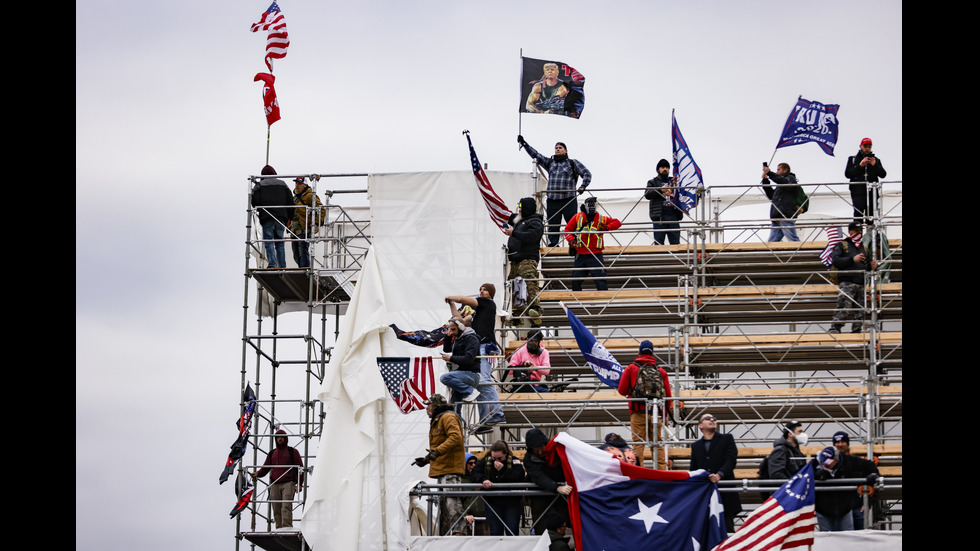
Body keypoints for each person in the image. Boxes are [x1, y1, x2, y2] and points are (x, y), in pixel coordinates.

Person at [446, 285, 506, 430]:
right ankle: (486, 418)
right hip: (481, 346)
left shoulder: (488, 303)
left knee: (484, 380)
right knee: (480, 381)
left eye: (484, 289)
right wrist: (452, 304)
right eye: (480, 289)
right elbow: (458, 321)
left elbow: (463, 299)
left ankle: (497, 414)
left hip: (485, 346)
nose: (481, 291)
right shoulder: (477, 314)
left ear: (491, 294)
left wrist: (453, 297)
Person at [516, 136, 592, 246]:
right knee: (553, 224)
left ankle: (575, 243)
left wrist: (583, 186)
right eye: (556, 147)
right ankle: (553, 245)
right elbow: (536, 155)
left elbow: (586, 173)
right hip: (553, 200)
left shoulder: (572, 163)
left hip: (569, 199)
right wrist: (524, 144)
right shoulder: (550, 163)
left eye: (560, 147)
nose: (557, 149)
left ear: (566, 151)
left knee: (573, 223)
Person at [411, 394, 467, 536]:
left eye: (428, 405)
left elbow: (455, 437)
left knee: (452, 502)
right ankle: (447, 534)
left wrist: (435, 453)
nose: (426, 408)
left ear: (436, 406)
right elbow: (441, 447)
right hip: (444, 469)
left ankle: (459, 532)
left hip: (450, 469)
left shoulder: (447, 417)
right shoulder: (440, 419)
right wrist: (426, 459)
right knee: (445, 505)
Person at [617, 340, 673, 469]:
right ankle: (661, 472)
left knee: (638, 444)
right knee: (658, 443)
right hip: (656, 413)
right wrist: (664, 415)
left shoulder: (631, 368)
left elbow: (621, 390)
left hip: (637, 412)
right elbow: (668, 396)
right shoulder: (660, 371)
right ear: (652, 353)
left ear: (639, 351)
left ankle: (639, 471)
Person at [690, 413, 742, 533]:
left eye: (714, 418)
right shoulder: (696, 446)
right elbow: (694, 468)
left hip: (725, 493)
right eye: (708, 418)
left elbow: (731, 459)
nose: (712, 420)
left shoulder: (727, 438)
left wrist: (720, 474)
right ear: (700, 425)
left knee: (727, 527)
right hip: (706, 494)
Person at [811, 442, 880, 532]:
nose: (825, 464)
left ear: (837, 460)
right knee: (827, 539)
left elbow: (869, 465)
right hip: (823, 510)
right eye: (823, 460)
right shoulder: (815, 463)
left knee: (847, 537)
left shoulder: (848, 460)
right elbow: (802, 476)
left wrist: (874, 475)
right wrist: (816, 476)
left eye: (828, 462)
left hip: (844, 509)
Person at [564, 197, 622, 291]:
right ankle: (578, 301)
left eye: (593, 205)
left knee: (600, 280)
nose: (592, 207)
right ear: (585, 206)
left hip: (595, 253)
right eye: (590, 205)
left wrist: (606, 228)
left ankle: (603, 300)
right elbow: (567, 230)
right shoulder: (578, 217)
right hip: (581, 253)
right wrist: (571, 240)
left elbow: (617, 223)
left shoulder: (601, 218)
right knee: (575, 280)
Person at [469, 440, 526, 536]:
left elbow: (519, 477)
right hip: (492, 502)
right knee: (495, 533)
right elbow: (474, 474)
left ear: (506, 454)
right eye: (494, 458)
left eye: (500, 458)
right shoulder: (486, 461)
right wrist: (483, 480)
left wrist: (503, 470)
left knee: (512, 532)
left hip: (511, 502)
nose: (496, 461)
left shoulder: (513, 461)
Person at [829, 222, 877, 334]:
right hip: (847, 281)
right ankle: (835, 328)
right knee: (844, 306)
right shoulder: (842, 245)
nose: (858, 233)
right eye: (856, 231)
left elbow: (867, 265)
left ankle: (857, 329)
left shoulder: (864, 248)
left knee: (860, 310)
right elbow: (835, 261)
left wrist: (872, 267)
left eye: (860, 231)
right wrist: (852, 259)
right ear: (850, 231)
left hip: (861, 282)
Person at [251, 429, 305, 529]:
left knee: (285, 507)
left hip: (288, 483)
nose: (280, 439)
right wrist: (258, 473)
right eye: (278, 437)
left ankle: (287, 528)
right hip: (274, 483)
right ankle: (279, 529)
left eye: (282, 437)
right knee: (276, 508)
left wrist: (300, 484)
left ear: (286, 438)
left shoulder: (292, 452)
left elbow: (300, 469)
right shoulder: (272, 453)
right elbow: (265, 468)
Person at [505, 197, 545, 327]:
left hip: (527, 258)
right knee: (514, 285)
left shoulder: (535, 222)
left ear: (527, 208)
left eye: (521, 207)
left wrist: (514, 233)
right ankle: (517, 315)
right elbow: (505, 214)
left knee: (529, 280)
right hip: (515, 259)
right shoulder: (519, 220)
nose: (519, 209)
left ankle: (536, 308)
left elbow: (532, 237)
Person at [524, 428, 572, 534]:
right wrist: (557, 487)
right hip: (540, 497)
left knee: (563, 522)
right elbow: (538, 477)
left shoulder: (556, 451)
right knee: (541, 526)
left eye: (542, 447)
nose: (541, 452)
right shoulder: (528, 459)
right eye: (537, 450)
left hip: (561, 496)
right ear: (531, 449)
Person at [831, 431, 880, 530]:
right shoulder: (829, 463)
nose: (840, 444)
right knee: (838, 539)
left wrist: (868, 501)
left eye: (843, 442)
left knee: (859, 538)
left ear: (847, 443)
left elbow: (873, 474)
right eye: (837, 442)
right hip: (836, 508)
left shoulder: (856, 461)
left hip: (856, 506)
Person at [251, 165, 295, 268]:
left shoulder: (259, 185)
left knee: (269, 241)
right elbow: (291, 202)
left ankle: (272, 264)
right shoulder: (283, 184)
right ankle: (282, 266)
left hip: (267, 217)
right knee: (279, 243)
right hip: (281, 218)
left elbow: (255, 202)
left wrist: (262, 209)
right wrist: (290, 218)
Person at [438, 318, 482, 405]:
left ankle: (471, 391)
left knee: (445, 378)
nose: (452, 332)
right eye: (450, 329)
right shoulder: (459, 339)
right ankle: (456, 417)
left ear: (461, 327)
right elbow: (447, 349)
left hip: (471, 374)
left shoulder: (471, 339)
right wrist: (447, 337)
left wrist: (451, 358)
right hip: (461, 375)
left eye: (453, 329)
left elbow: (468, 359)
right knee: (455, 404)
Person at [844, 138, 887, 225]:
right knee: (858, 215)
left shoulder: (876, 160)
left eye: (869, 146)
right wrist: (860, 165)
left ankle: (871, 237)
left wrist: (874, 165)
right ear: (860, 146)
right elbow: (848, 174)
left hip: (872, 193)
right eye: (865, 146)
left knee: (871, 215)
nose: (867, 148)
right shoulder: (853, 159)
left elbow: (883, 174)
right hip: (857, 192)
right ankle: (857, 237)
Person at [761, 163, 803, 242]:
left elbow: (782, 181)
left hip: (785, 215)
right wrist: (765, 181)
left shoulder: (790, 179)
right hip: (777, 215)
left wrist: (769, 173)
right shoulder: (780, 185)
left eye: (778, 169)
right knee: (772, 242)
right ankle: (770, 254)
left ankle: (800, 252)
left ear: (785, 170)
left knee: (792, 239)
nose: (777, 172)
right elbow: (772, 196)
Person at [645, 159, 682, 245]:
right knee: (659, 244)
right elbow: (647, 194)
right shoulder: (652, 182)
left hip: (673, 216)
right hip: (659, 217)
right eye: (662, 167)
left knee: (676, 244)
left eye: (667, 167)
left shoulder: (674, 181)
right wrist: (660, 190)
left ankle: (675, 258)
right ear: (658, 169)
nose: (665, 169)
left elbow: (682, 195)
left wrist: (677, 185)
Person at [290, 176, 324, 268]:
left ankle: (305, 271)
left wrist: (317, 224)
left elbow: (321, 209)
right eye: (296, 183)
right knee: (296, 254)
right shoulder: (294, 198)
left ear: (304, 185)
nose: (296, 185)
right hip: (294, 230)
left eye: (299, 184)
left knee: (303, 251)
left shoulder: (310, 196)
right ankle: (302, 269)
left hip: (304, 229)